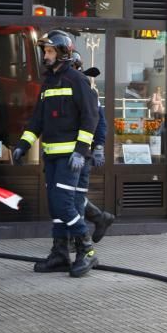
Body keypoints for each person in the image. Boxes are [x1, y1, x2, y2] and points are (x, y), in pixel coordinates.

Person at [12, 30, 99, 278]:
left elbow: (90, 118)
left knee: (63, 203)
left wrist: (81, 152)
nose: (46, 56)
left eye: (50, 51)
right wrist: (23, 145)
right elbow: (37, 119)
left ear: (62, 52)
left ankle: (87, 250)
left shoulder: (77, 80)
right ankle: (60, 254)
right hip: (51, 157)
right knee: (55, 207)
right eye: (45, 51)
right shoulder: (49, 83)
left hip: (71, 158)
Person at [70, 52, 115, 243]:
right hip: (63, 153)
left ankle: (77, 240)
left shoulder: (87, 91)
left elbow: (99, 122)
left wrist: (98, 147)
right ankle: (99, 218)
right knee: (67, 195)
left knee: (74, 197)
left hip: (81, 154)